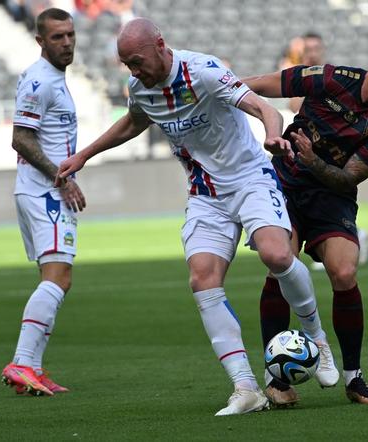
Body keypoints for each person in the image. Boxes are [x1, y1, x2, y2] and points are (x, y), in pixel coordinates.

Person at [55, 17, 339, 416]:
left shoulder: (203, 71)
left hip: (250, 178)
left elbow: (261, 107)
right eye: (127, 66)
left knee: (276, 255)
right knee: (202, 278)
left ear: (160, 45)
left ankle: (318, 341)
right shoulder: (141, 87)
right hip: (206, 194)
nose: (133, 72)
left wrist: (273, 135)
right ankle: (245, 388)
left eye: (137, 61)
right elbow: (133, 123)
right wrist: (83, 155)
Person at [243, 30, 368, 407]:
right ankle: (275, 379)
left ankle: (354, 378)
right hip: (285, 185)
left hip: (332, 197)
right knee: (281, 265)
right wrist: (222, 89)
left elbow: (349, 177)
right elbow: (266, 84)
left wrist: (314, 160)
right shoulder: (330, 79)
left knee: (344, 273)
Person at [1, 7, 86, 397]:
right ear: (40, 41)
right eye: (57, 37)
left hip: (41, 191)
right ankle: (21, 362)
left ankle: (32, 367)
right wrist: (62, 178)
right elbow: (21, 138)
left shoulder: (53, 78)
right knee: (59, 278)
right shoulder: (40, 80)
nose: (66, 42)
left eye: (69, 35)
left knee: (54, 281)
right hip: (45, 194)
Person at [288, 32, 368, 267]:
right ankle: (352, 236)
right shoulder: (299, 76)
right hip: (304, 146)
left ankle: (342, 240)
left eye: (316, 47)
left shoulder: (330, 77)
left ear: (323, 49)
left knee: (331, 198)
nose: (313, 51)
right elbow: (295, 105)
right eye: (308, 48)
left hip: (329, 154)